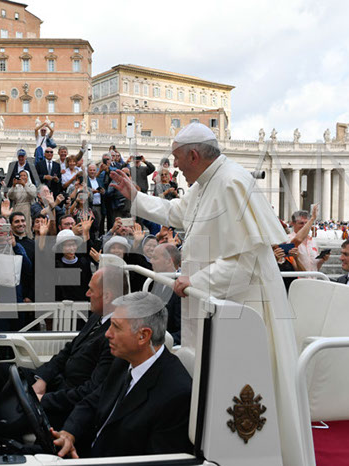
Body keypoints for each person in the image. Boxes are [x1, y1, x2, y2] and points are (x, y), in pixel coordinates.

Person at [109, 122, 306, 465]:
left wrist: (195, 281)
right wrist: (136, 197)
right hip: (215, 303)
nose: (175, 166)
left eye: (177, 158)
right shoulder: (205, 183)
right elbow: (176, 213)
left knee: (243, 391)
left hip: (242, 308)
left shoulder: (231, 182)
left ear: (194, 155)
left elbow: (243, 263)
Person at [51, 291, 192, 459]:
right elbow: (92, 402)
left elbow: (157, 461)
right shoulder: (124, 360)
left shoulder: (176, 395)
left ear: (143, 336)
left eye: (116, 327)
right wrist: (69, 433)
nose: (107, 333)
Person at [30, 267, 127, 429]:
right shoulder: (97, 316)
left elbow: (91, 391)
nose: (87, 294)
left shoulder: (115, 337)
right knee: (5, 372)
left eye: (91, 290)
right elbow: (69, 350)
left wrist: (44, 400)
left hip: (68, 404)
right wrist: (43, 378)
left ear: (107, 296)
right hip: (58, 384)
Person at [54, 230, 92, 302]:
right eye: (68, 245)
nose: (71, 248)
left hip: (82, 303)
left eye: (73, 245)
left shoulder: (84, 263)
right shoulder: (56, 265)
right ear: (61, 247)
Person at [8, 170, 36, 235]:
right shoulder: (16, 187)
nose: (22, 177)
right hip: (17, 207)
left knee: (27, 226)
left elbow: (33, 195)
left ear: (27, 177)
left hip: (27, 208)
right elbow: (10, 196)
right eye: (21, 175)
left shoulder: (31, 186)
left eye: (24, 175)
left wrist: (24, 185)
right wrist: (13, 186)